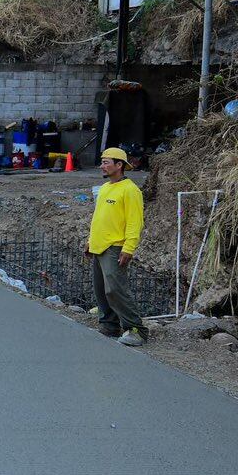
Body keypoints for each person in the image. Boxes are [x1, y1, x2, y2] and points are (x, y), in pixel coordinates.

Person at [87, 145, 147, 346]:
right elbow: (99, 218)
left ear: (119, 165)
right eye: (102, 162)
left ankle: (136, 329)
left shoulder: (130, 190)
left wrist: (128, 248)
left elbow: (134, 222)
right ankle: (109, 325)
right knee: (101, 289)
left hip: (115, 247)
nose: (102, 166)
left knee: (115, 289)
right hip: (99, 245)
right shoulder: (105, 189)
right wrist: (90, 242)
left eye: (106, 162)